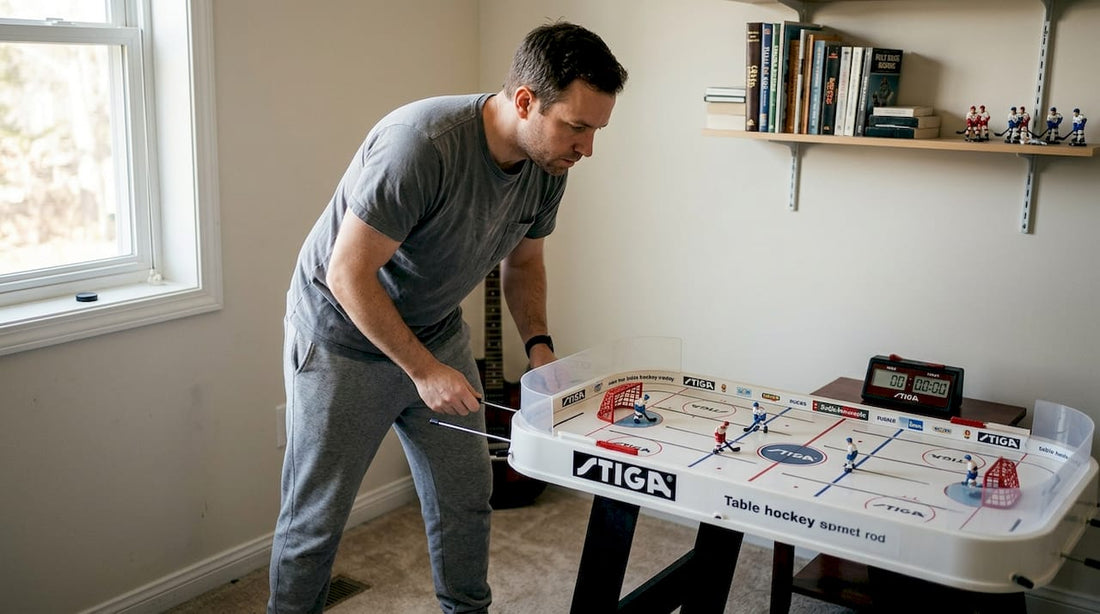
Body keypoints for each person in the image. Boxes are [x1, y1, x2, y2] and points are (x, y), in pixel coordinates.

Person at [268, 21, 627, 614]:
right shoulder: (422, 144)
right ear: (525, 101)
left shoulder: (549, 165)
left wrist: (539, 347)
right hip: (341, 338)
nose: (586, 147)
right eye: (578, 126)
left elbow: (525, 263)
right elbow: (347, 275)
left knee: (465, 495)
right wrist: (424, 371)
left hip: (434, 331)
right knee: (315, 520)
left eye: (596, 130)